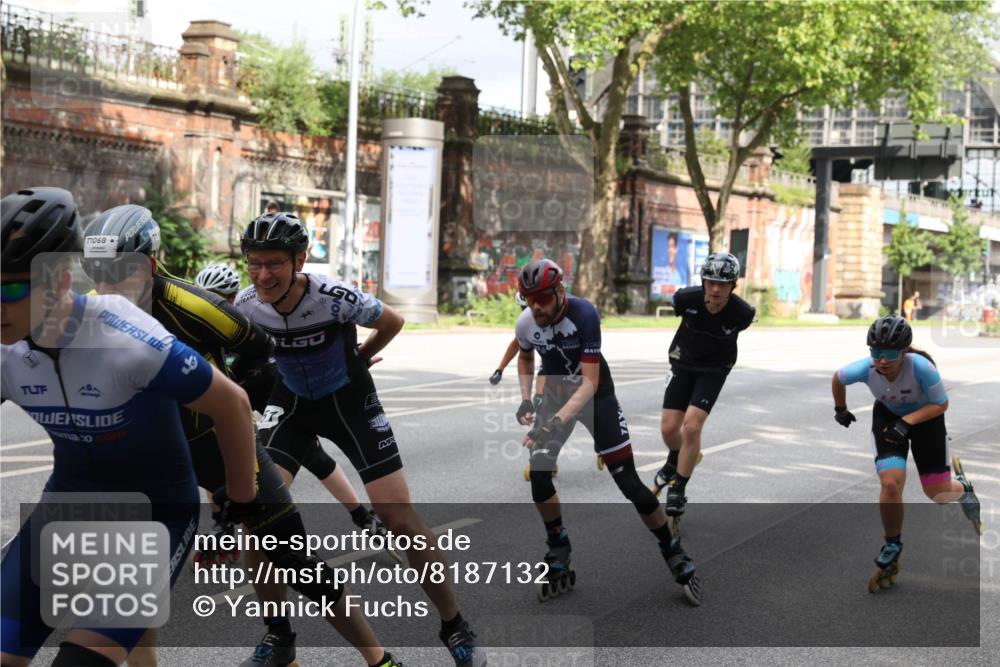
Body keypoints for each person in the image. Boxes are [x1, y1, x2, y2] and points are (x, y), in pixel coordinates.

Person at [82, 207, 400, 667]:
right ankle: (279, 642)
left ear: (149, 265)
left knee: (295, 561)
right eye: (96, 273)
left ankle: (379, 659)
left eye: (116, 274)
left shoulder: (192, 304)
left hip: (220, 447)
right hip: (153, 456)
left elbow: (259, 351)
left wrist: (225, 402)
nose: (105, 286)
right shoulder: (91, 311)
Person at [0, 187, 258, 667]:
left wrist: (241, 499)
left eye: (11, 289)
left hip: (153, 516)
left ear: (60, 282)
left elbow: (233, 406)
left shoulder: (125, 337)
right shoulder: (6, 349)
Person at [234, 212, 485, 667]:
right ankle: (278, 634)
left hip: (348, 400)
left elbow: (393, 321)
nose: (263, 274)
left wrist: (361, 358)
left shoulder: (333, 297)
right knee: (259, 517)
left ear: (299, 260)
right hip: (292, 403)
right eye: (255, 263)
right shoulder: (247, 303)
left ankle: (454, 624)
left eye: (274, 263)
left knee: (397, 518)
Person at [513, 258, 702, 606]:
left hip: (595, 396)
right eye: (529, 299)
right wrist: (527, 399)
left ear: (559, 291)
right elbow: (525, 358)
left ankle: (671, 547)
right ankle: (558, 545)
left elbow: (589, 383)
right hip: (555, 396)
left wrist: (555, 422)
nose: (535, 307)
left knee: (630, 484)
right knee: (539, 475)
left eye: (542, 298)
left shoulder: (584, 314)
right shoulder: (526, 321)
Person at [831, 315, 982, 592]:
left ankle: (964, 488)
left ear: (903, 352)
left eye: (889, 354)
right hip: (888, 418)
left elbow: (941, 404)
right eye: (876, 352)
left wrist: (907, 422)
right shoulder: (866, 368)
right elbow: (838, 378)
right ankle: (892, 545)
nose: (882, 361)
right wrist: (840, 409)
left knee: (937, 494)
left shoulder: (921, 367)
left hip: (927, 419)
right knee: (890, 484)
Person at [651, 252, 755, 534]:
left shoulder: (743, 313)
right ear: (703, 282)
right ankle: (676, 459)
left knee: (692, 426)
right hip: (683, 363)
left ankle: (678, 488)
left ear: (733, 286)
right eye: (711, 282)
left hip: (714, 370)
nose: (716, 290)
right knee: (669, 429)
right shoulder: (686, 299)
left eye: (723, 284)